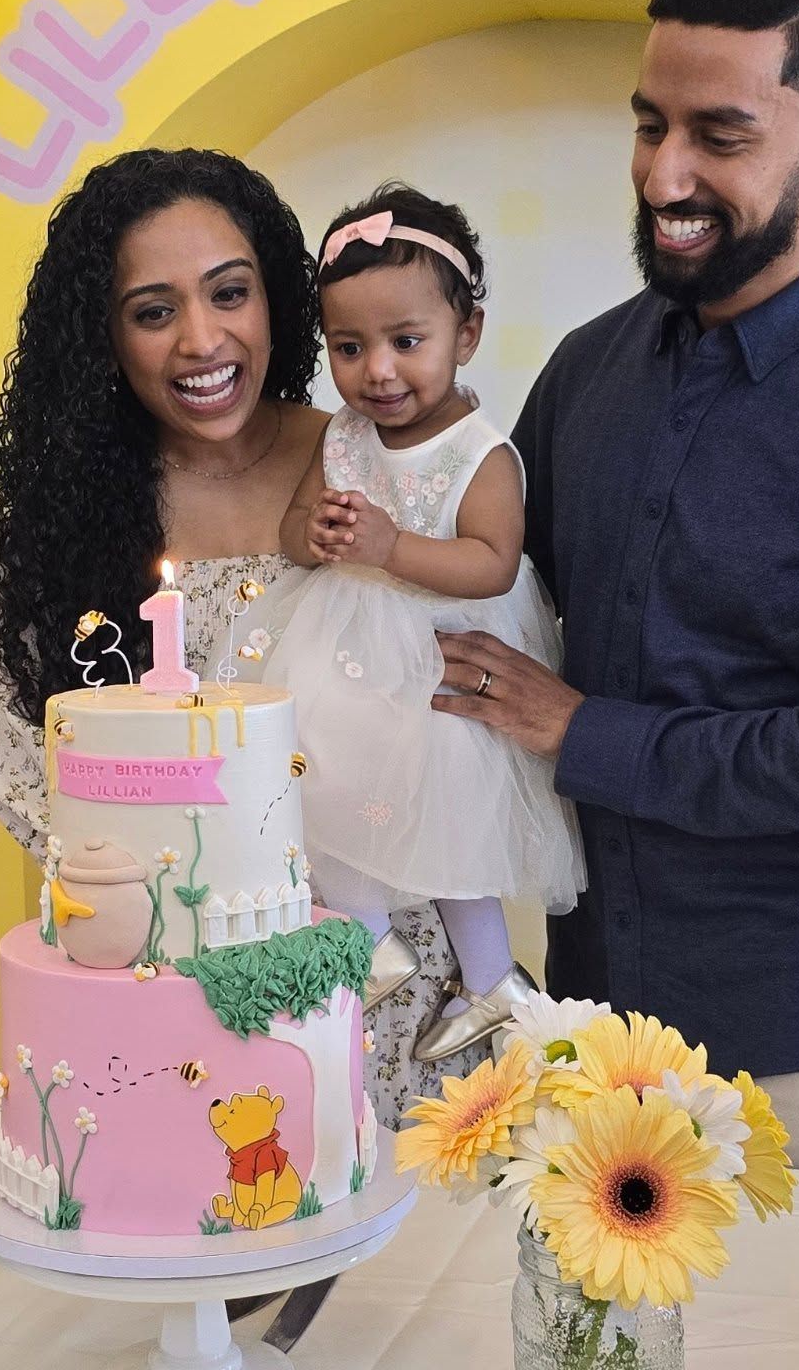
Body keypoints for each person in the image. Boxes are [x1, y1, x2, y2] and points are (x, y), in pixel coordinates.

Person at [435, 0, 799, 1176]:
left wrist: (589, 734)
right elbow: (498, 614)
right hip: (588, 1023)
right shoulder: (590, 367)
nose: (664, 173)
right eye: (649, 125)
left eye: (720, 136)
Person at [0, 147, 489, 1133]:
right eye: (153, 311)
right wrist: (180, 894)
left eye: (230, 293)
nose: (202, 339)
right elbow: (20, 758)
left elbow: (477, 642)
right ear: (103, 336)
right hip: (171, 993)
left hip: (397, 989)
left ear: (278, 300)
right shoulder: (65, 525)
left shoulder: (371, 464)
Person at [239, 182, 584, 1065]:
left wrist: (391, 546)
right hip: (345, 641)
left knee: (449, 822)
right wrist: (316, 534)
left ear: (466, 334)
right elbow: (298, 524)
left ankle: (493, 978)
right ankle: (369, 939)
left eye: (406, 341)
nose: (378, 372)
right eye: (349, 348)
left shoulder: (481, 451)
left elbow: (493, 561)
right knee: (310, 779)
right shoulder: (343, 435)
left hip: (444, 655)